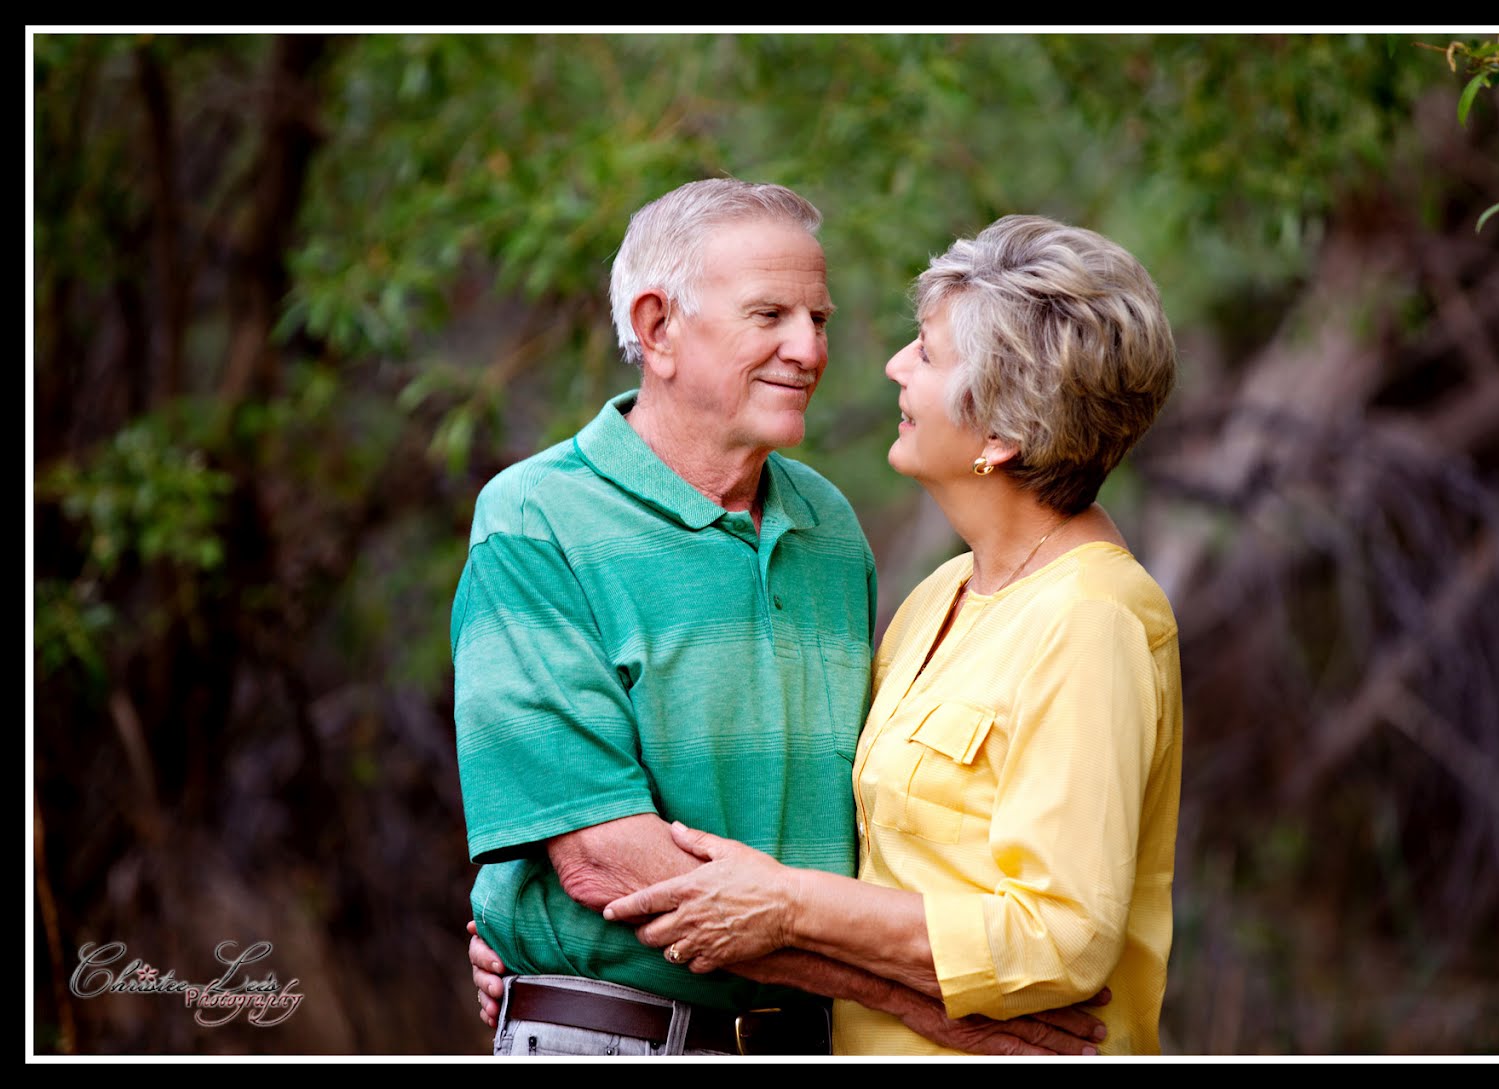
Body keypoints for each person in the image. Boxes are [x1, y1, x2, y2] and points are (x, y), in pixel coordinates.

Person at [454, 181, 1110, 1057]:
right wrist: (920, 999)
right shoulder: (536, 519)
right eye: (769, 314)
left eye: (820, 318)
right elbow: (603, 857)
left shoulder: (830, 529)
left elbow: (868, 825)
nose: (808, 348)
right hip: (620, 1037)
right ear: (657, 329)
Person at [595, 214, 1184, 1055]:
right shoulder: (943, 593)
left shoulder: (1093, 620)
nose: (892, 365)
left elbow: (1060, 936)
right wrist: (553, 933)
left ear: (1004, 433)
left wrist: (790, 907)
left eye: (929, 355)